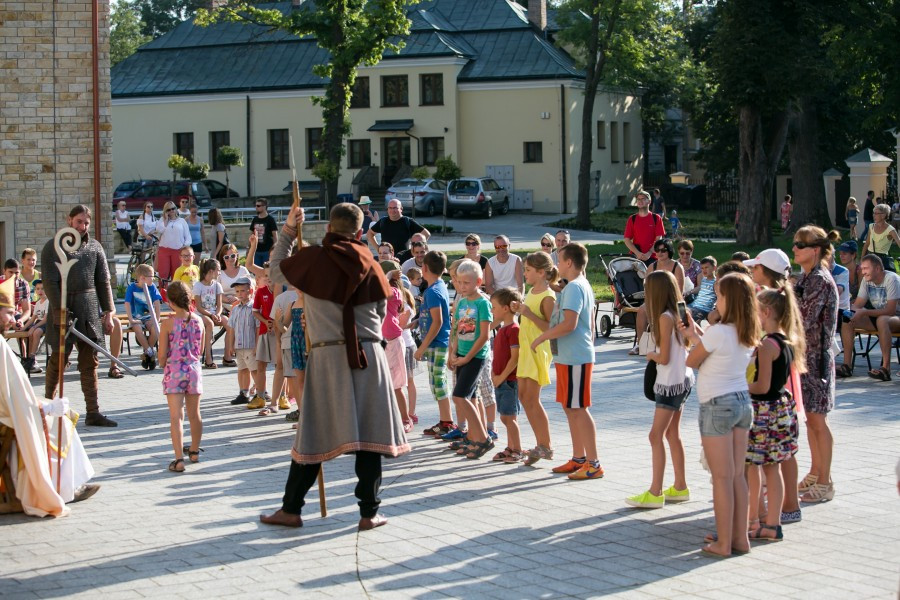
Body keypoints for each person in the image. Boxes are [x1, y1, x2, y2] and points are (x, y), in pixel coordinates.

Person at [260, 202, 410, 531]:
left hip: (329, 357)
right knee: (369, 437)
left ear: (329, 227)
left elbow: (274, 273)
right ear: (359, 231)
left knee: (312, 435)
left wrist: (287, 230)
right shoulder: (372, 263)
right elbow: (385, 311)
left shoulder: (314, 259)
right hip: (370, 356)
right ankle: (369, 513)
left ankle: (292, 509)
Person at [0, 277, 99, 516]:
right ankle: (64, 489)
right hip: (7, 418)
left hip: (10, 410)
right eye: (8, 313)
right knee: (63, 419)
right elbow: (16, 401)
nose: (13, 319)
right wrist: (45, 410)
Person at [680, 273, 758, 558]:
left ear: (731, 300)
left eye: (720, 296)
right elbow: (716, 351)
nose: (716, 301)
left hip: (716, 405)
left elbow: (693, 359)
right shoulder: (746, 331)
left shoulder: (718, 331)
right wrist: (695, 334)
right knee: (738, 476)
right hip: (741, 403)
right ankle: (740, 539)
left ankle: (723, 543)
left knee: (721, 478)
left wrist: (693, 337)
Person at [42, 205, 118, 427]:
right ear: (69, 220)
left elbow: (103, 282)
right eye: (79, 222)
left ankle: (93, 412)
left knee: (89, 363)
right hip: (62, 308)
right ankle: (47, 407)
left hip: (88, 308)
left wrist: (109, 313)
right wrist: (60, 310)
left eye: (86, 223)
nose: (83, 227)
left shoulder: (94, 248)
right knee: (58, 360)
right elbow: (50, 282)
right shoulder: (53, 248)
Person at [533, 243, 603, 479]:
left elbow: (570, 323)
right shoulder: (573, 286)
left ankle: (593, 464)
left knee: (579, 409)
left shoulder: (575, 287)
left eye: (560, 260)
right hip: (568, 357)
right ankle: (578, 458)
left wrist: (542, 337)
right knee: (570, 407)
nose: (556, 264)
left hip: (576, 357)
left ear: (569, 263)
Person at [626, 270, 693, 508]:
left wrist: (650, 354)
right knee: (672, 434)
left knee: (655, 435)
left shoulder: (664, 317)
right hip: (683, 378)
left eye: (647, 289)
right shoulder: (680, 311)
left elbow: (663, 357)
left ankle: (655, 492)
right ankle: (680, 486)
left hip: (669, 382)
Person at [745, 288, 805, 541]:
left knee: (753, 467)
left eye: (755, 312)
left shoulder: (767, 345)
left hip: (763, 411)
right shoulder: (787, 340)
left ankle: (756, 520)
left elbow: (762, 385)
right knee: (773, 467)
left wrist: (738, 384)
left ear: (766, 312)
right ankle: (773, 524)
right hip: (780, 409)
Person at [792, 226, 840, 504]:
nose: (795, 248)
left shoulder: (820, 280)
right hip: (804, 358)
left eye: (801, 244)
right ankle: (815, 471)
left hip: (817, 360)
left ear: (816, 250)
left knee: (819, 421)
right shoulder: (806, 278)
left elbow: (804, 318)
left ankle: (826, 480)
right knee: (810, 419)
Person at [445, 259, 494, 459]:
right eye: (460, 282)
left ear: (478, 281)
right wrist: (453, 353)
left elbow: (484, 335)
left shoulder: (483, 302)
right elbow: (457, 329)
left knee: (459, 396)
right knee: (470, 398)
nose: (463, 287)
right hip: (462, 354)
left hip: (476, 356)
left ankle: (483, 438)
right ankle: (474, 439)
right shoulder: (462, 301)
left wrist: (467, 359)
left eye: (467, 283)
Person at [515, 251, 557, 466]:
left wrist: (528, 314)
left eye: (528, 270)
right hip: (526, 349)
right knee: (523, 396)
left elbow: (552, 327)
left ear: (541, 272)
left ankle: (545, 444)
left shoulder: (548, 296)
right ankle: (541, 443)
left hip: (538, 350)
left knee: (532, 398)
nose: (525, 274)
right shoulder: (532, 291)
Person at [158, 281, 204, 473]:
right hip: (193, 369)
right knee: (195, 414)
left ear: (170, 301)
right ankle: (194, 450)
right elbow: (200, 350)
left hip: (175, 370)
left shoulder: (167, 323)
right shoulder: (199, 321)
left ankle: (178, 459)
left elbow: (162, 355)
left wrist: (163, 362)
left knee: (176, 416)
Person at [836, 254, 900, 381]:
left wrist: (864, 312)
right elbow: (858, 304)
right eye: (862, 268)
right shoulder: (867, 280)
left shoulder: (892, 279)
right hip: (879, 317)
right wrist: (848, 312)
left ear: (877, 269)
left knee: (882, 320)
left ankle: (885, 369)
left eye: (866, 268)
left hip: (895, 317)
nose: (863, 271)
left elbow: (891, 310)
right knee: (848, 319)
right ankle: (846, 366)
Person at [415, 250, 456, 436]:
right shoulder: (438, 286)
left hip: (436, 343)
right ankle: (444, 420)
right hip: (436, 343)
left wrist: (422, 347)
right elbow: (430, 317)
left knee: (438, 381)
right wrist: (412, 323)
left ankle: (447, 422)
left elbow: (438, 321)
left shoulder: (433, 291)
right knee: (435, 382)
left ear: (424, 268)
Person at [631, 239, 686, 355]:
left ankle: (659, 343)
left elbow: (679, 292)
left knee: (663, 312)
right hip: (654, 300)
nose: (660, 253)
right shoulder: (652, 266)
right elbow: (647, 288)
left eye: (663, 250)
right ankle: (642, 344)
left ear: (669, 251)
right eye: (657, 250)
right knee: (642, 310)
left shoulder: (677, 267)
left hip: (672, 302)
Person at [489, 288, 523, 463]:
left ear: (506, 308)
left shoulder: (514, 330)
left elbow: (515, 358)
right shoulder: (502, 329)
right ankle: (510, 447)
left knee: (509, 417)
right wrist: (494, 373)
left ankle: (517, 449)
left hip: (509, 381)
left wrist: (501, 376)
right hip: (500, 379)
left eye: (494, 307)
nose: (492, 310)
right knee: (506, 416)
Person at [381, 261, 413, 432]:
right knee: (381, 384)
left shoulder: (394, 292)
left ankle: (405, 419)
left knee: (396, 385)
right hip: (379, 342)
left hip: (392, 341)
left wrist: (387, 276)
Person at [260, 279, 299, 416]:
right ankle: (298, 408)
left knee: (286, 371)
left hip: (287, 341)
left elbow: (279, 325)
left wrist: (278, 342)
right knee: (294, 374)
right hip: (294, 341)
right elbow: (280, 324)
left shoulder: (281, 298)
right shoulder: (304, 296)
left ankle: (275, 403)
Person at [248, 264, 277, 410]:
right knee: (261, 365)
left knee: (280, 366)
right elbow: (255, 311)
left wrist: (277, 323)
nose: (269, 278)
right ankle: (260, 396)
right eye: (266, 276)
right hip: (264, 332)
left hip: (279, 333)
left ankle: (282, 395)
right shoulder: (260, 292)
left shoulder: (282, 290)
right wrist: (266, 321)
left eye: (271, 275)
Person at [218, 243, 251, 367]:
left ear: (237, 255)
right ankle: (229, 355)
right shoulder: (220, 273)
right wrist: (226, 299)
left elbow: (251, 287)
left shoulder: (243, 270)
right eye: (226, 257)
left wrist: (240, 298)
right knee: (232, 321)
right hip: (224, 304)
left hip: (243, 301)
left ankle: (236, 353)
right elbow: (215, 292)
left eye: (232, 255)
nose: (230, 259)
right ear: (222, 259)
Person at [124, 264, 162, 370]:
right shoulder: (132, 288)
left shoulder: (152, 287)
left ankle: (147, 354)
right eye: (151, 276)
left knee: (155, 328)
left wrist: (157, 318)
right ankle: (150, 352)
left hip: (149, 317)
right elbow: (127, 303)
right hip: (136, 317)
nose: (153, 278)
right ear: (142, 278)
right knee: (137, 328)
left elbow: (157, 302)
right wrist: (131, 319)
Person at [366, 199, 431, 257]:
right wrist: (377, 248)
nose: (392, 210)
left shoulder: (407, 221)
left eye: (395, 208)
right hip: (387, 257)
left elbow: (426, 234)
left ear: (401, 209)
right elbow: (369, 234)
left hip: (404, 258)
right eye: (390, 208)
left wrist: (415, 248)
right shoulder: (383, 221)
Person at [228, 277, 257, 405]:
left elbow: (257, 327)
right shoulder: (235, 309)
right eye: (237, 291)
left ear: (250, 290)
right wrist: (230, 344)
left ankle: (260, 392)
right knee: (242, 369)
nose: (240, 294)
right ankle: (243, 392)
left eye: (243, 291)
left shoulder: (254, 308)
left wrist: (257, 345)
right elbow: (231, 328)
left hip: (250, 344)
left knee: (254, 369)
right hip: (239, 345)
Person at [193, 259, 226, 369]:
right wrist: (211, 316)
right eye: (218, 270)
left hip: (213, 313)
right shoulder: (198, 286)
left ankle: (227, 356)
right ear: (211, 271)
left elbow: (219, 305)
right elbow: (198, 307)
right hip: (200, 314)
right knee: (210, 324)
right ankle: (208, 358)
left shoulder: (217, 285)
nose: (219, 273)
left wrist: (217, 314)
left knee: (228, 322)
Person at [623, 191, 665, 264]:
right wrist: (637, 253)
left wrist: (649, 253)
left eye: (643, 199)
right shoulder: (632, 219)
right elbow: (627, 239)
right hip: (635, 257)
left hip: (652, 257)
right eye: (638, 199)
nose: (640, 201)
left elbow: (659, 239)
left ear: (649, 201)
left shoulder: (656, 218)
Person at [155, 201, 192, 281]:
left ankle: (175, 292)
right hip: (164, 250)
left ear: (176, 209)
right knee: (163, 274)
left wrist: (184, 247)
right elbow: (159, 230)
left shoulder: (182, 221)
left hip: (178, 250)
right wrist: (165, 220)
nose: (171, 211)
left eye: (173, 208)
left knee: (176, 274)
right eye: (168, 210)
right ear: (165, 211)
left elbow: (188, 237)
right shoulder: (162, 220)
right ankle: (163, 292)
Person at [861, 203, 900, 272]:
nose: (873, 215)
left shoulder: (890, 230)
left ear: (883, 215)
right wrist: (862, 259)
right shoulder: (871, 226)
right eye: (873, 213)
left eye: (876, 213)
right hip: (870, 257)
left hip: (882, 261)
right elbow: (867, 244)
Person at [21, 279, 48, 374]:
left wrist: (34, 327)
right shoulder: (37, 303)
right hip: (39, 322)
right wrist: (23, 328)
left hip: (48, 322)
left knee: (36, 332)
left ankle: (32, 357)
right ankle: (28, 358)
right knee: (27, 333)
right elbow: (32, 318)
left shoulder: (48, 302)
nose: (40, 291)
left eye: (43, 289)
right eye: (38, 289)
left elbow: (45, 319)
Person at [0, 259, 32, 327]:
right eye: (10, 272)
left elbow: (27, 310)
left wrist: (21, 320)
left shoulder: (23, 284)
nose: (13, 275)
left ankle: (22, 337)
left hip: (14, 313)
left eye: (16, 273)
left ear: (20, 272)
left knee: (30, 325)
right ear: (4, 271)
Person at [687, 257, 718, 322]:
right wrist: (690, 292)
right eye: (702, 268)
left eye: (706, 267)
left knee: (692, 319)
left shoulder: (716, 282)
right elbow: (700, 287)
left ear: (714, 268)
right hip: (695, 305)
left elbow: (718, 296)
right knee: (680, 312)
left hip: (704, 309)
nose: (704, 270)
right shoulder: (704, 279)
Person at [250, 198, 278, 267]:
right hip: (256, 250)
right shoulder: (255, 219)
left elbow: (275, 235)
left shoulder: (270, 219)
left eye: (258, 206)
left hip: (267, 251)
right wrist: (249, 247)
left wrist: (275, 249)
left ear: (264, 206)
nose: (256, 207)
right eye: (256, 206)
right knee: (257, 273)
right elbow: (251, 234)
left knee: (267, 272)